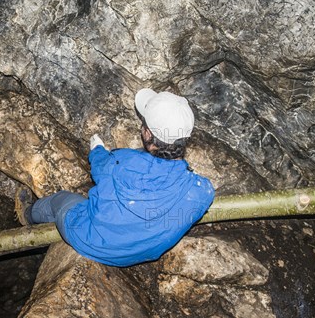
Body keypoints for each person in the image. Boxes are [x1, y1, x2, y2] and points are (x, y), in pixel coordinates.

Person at [15, 88, 215, 267]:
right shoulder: (202, 191)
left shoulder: (123, 163)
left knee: (60, 200)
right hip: (142, 252)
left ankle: (28, 215)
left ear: (147, 134)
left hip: (93, 239)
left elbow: (101, 167)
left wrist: (97, 149)